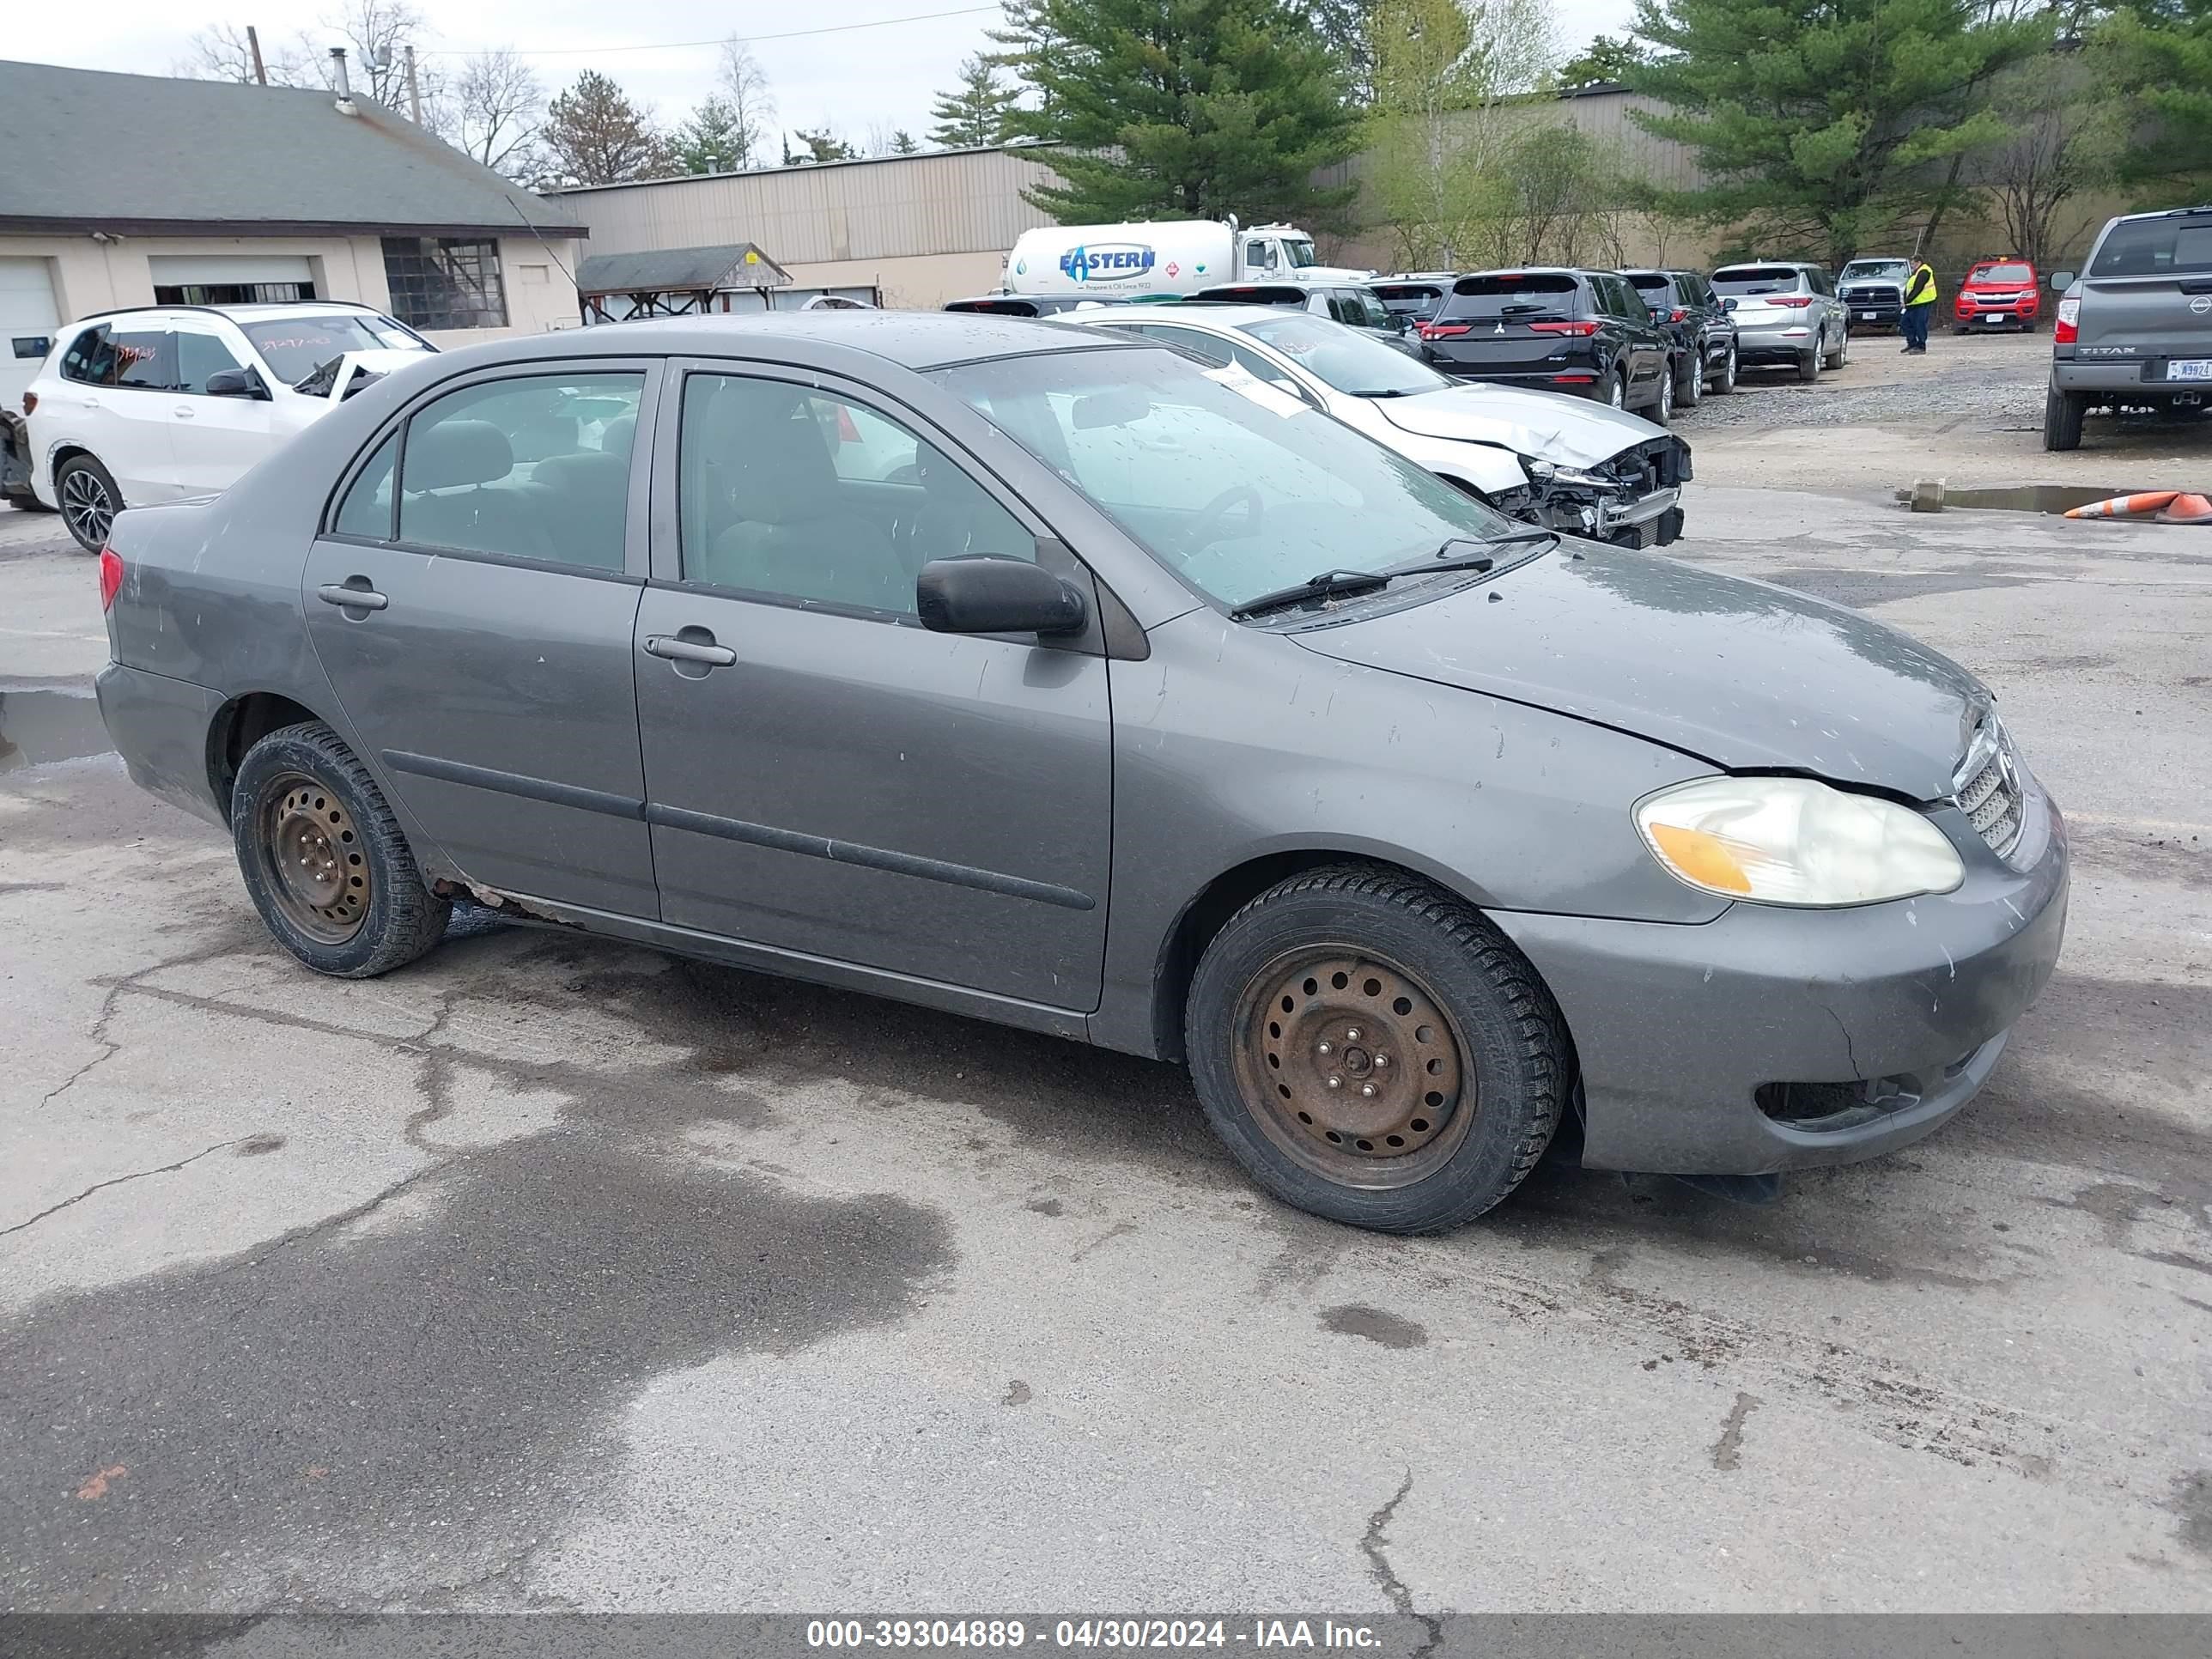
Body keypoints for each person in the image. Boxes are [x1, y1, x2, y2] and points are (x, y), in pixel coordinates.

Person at [1900, 258, 1938, 354]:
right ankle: (1912, 343)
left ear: (1919, 262)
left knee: (1920, 325)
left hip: (1922, 302)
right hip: (1913, 304)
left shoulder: (1924, 272)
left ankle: (1921, 346)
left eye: (1913, 263)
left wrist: (1907, 301)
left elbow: (1918, 288)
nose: (1912, 266)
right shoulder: (1916, 273)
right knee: (1904, 323)